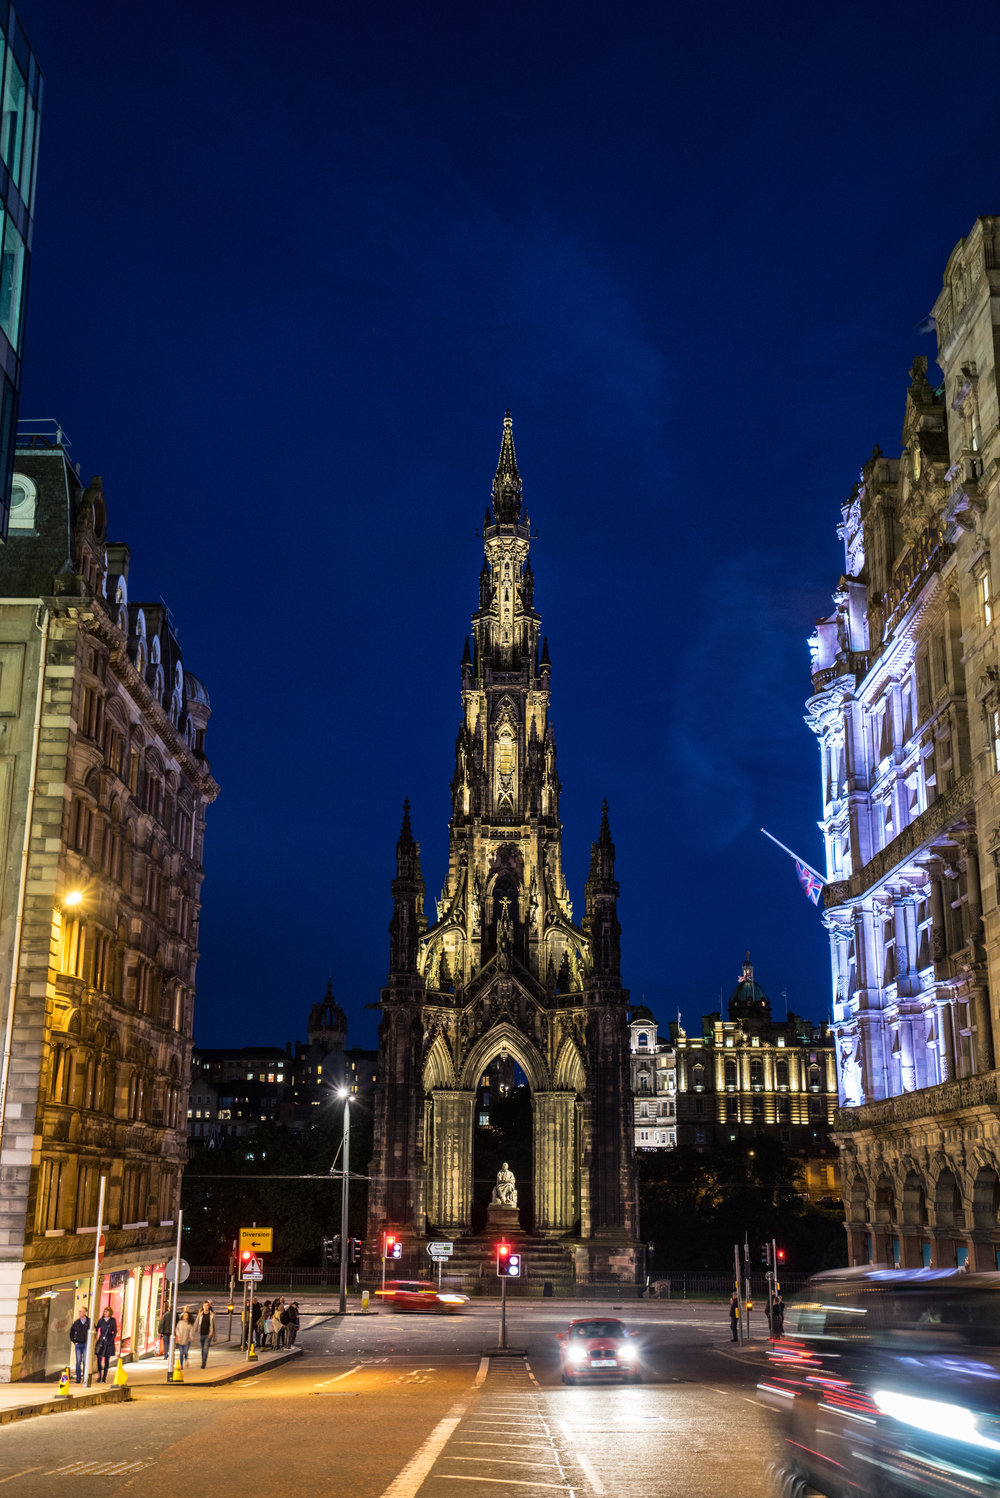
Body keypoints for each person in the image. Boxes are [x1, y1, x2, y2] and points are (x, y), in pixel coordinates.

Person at [94, 1305, 117, 1383]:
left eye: (106, 1312)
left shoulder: (112, 1321)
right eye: (104, 1311)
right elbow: (97, 1328)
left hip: (109, 1343)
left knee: (107, 1360)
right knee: (99, 1359)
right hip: (101, 1342)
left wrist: (111, 1339)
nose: (105, 1313)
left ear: (110, 1313)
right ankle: (99, 1375)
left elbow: (115, 1331)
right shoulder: (101, 1320)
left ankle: (104, 1377)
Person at [69, 1306, 90, 1383]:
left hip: (85, 1344)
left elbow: (94, 1331)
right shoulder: (76, 1322)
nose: (80, 1313)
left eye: (82, 1311)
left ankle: (85, 1377)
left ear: (85, 1312)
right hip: (78, 1344)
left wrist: (89, 1342)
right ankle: (78, 1378)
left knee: (85, 1361)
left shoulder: (89, 1322)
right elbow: (71, 1333)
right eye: (79, 1311)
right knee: (78, 1361)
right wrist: (74, 1341)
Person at [196, 1301, 216, 1368]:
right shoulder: (200, 1315)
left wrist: (214, 1336)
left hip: (208, 1334)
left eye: (207, 1305)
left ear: (209, 1306)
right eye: (204, 1305)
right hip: (201, 1334)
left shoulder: (211, 1315)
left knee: (205, 1348)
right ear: (203, 1306)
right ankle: (203, 1360)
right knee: (202, 1349)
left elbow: (214, 1326)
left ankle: (204, 1362)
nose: (206, 1307)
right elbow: (196, 1324)